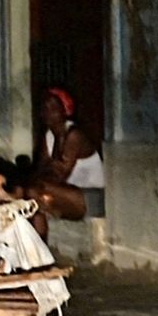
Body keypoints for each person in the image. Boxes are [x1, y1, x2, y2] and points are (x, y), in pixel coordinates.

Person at [28, 87, 105, 232]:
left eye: (54, 109)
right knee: (32, 196)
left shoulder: (74, 135)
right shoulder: (48, 136)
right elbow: (41, 169)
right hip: (66, 193)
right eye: (45, 109)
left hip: (90, 197)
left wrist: (38, 180)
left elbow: (60, 175)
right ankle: (39, 243)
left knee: (32, 190)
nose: (48, 113)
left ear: (66, 110)